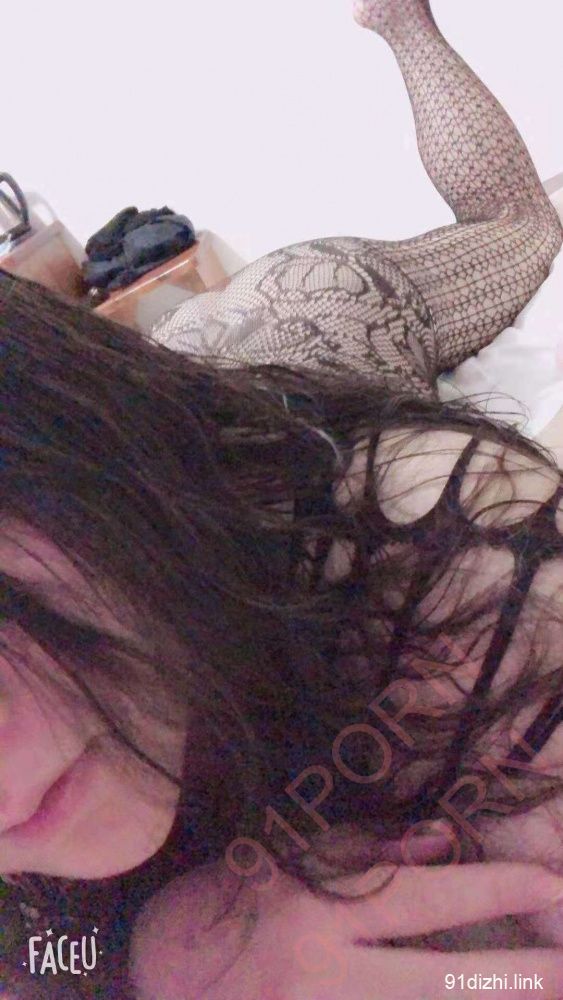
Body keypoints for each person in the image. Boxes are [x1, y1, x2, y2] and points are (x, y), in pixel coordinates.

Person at [1, 0, 563, 997]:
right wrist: (158, 955)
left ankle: (401, 22)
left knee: (517, 229)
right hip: (158, 381)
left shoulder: (451, 556)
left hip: (318, 310)